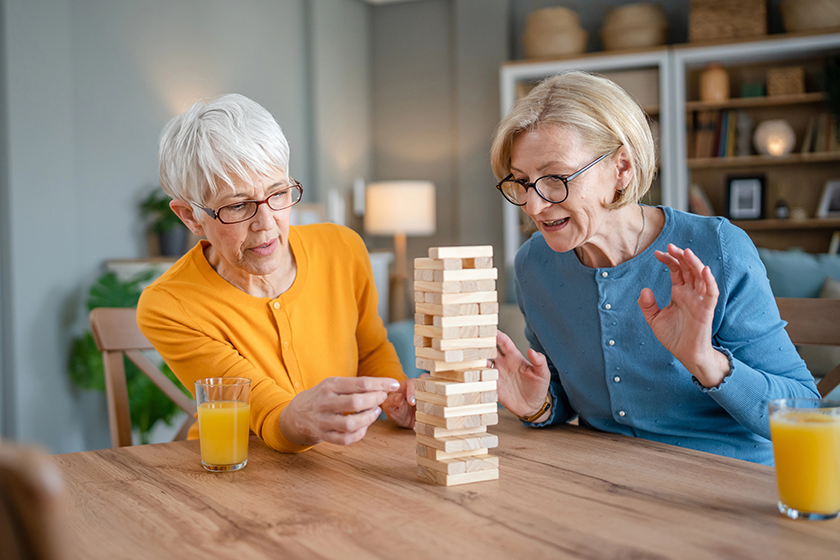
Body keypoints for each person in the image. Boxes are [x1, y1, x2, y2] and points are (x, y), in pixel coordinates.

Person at [489, 71, 818, 465]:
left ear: (621, 169)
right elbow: (563, 394)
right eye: (522, 182)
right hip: (603, 484)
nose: (534, 206)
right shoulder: (533, 265)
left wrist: (705, 360)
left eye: (555, 178)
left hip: (726, 486)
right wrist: (537, 404)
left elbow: (806, 412)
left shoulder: (718, 248)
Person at [137, 94, 415, 453]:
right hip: (237, 474)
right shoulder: (170, 305)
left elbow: (371, 350)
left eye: (278, 193)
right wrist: (300, 418)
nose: (266, 224)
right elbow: (264, 408)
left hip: (343, 468)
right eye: (238, 205)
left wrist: (396, 397)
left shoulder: (343, 248)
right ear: (191, 217)